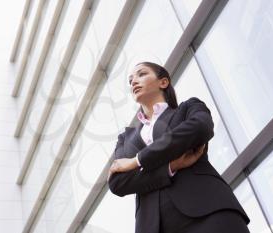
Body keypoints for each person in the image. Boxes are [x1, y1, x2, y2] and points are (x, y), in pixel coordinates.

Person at [107, 62, 250, 233]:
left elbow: (200, 128)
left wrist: (137, 161)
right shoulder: (126, 138)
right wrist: (171, 166)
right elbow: (118, 182)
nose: (133, 82)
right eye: (130, 80)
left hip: (208, 211)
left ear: (163, 82)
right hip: (153, 226)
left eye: (141, 74)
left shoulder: (188, 108)